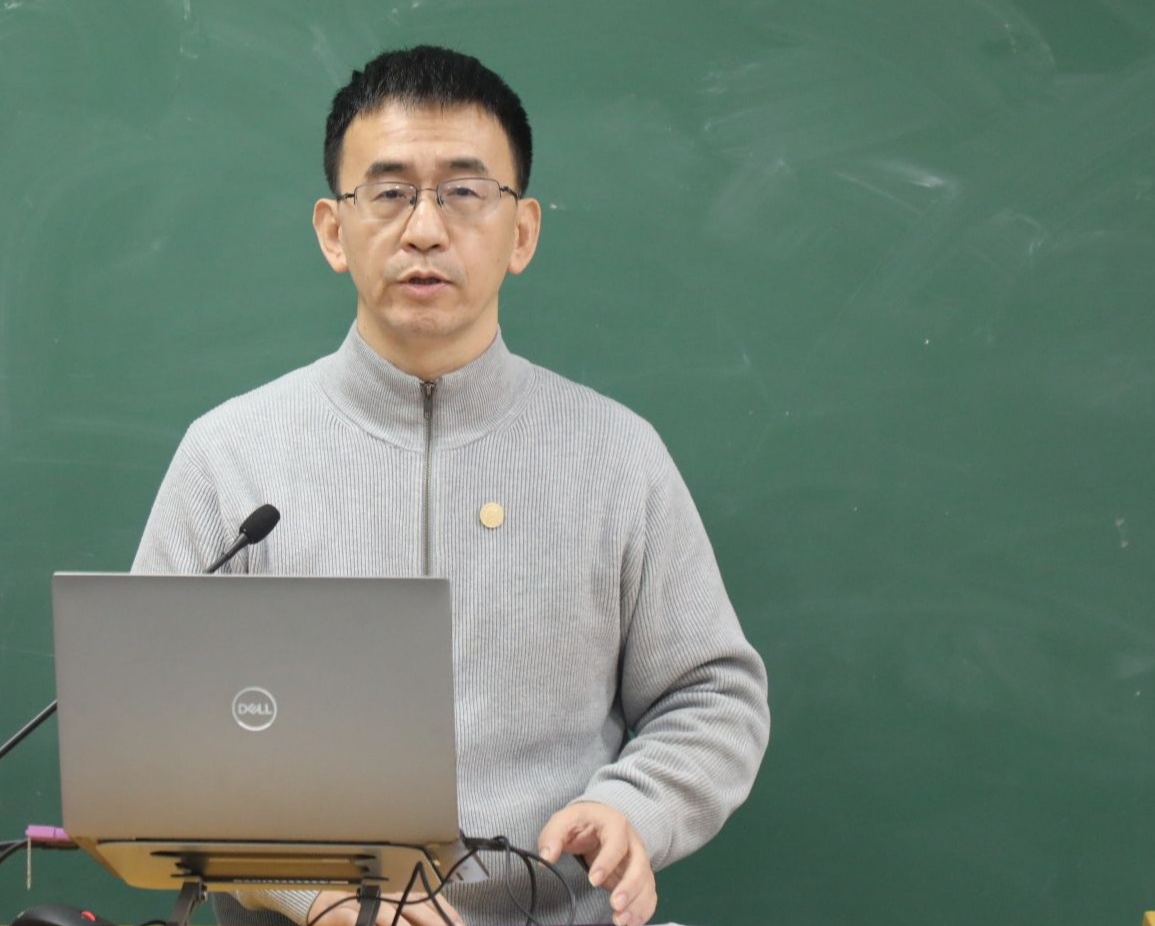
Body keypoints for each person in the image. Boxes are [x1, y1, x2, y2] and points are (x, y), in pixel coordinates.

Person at [132, 45, 770, 926]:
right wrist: (315, 896)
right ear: (332, 230)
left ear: (523, 232)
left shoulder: (616, 455)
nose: (425, 229)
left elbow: (711, 694)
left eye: (465, 192)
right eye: (390, 193)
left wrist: (636, 806)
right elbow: (156, 733)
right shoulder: (230, 455)